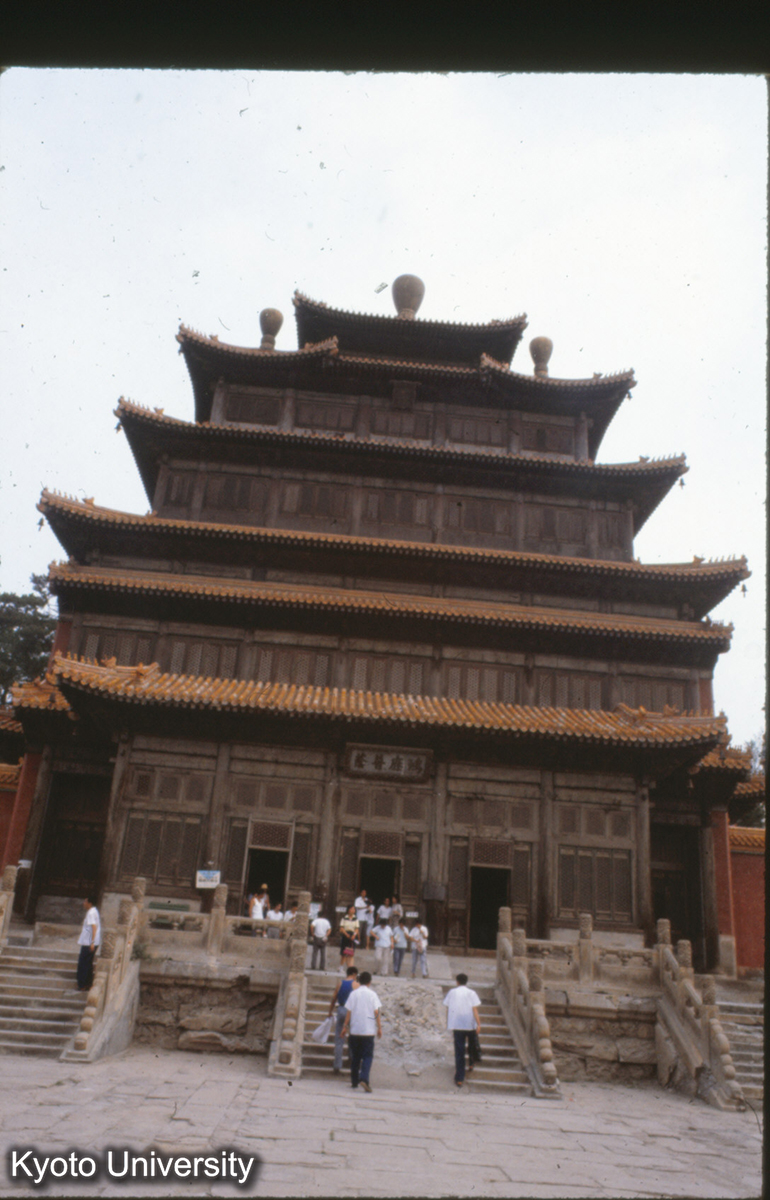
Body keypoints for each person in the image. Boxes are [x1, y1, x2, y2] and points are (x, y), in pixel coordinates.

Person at [341, 970, 382, 1092]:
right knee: (367, 1056)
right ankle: (364, 1078)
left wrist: (345, 1027)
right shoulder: (372, 994)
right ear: (369, 982)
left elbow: (349, 1012)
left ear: (359, 981)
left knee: (355, 1057)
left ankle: (354, 1082)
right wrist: (379, 1027)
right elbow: (376, 1012)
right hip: (368, 1031)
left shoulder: (353, 994)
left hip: (355, 1030)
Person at [444, 973, 481, 1088]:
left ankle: (459, 1078)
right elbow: (475, 1009)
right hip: (470, 1023)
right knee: (472, 1045)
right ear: (466, 982)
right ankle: (471, 1063)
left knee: (459, 1051)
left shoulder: (452, 992)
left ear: (457, 982)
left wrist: (448, 1021)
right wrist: (478, 1024)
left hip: (457, 1024)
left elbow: (447, 1007)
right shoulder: (471, 993)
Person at [327, 966, 358, 1073]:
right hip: (352, 1012)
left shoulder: (340, 983)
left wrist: (330, 1011)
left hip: (341, 1010)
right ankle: (351, 1059)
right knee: (353, 1037)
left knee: (339, 1038)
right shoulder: (356, 985)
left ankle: (337, 1065)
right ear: (354, 974)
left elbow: (333, 998)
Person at [76, 896, 101, 991]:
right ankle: (88, 984)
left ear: (90, 903)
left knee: (83, 964)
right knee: (88, 963)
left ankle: (82, 985)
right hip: (91, 942)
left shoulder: (91, 913)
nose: (84, 903)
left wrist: (92, 942)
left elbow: (94, 927)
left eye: (85, 902)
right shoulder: (94, 911)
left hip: (89, 943)